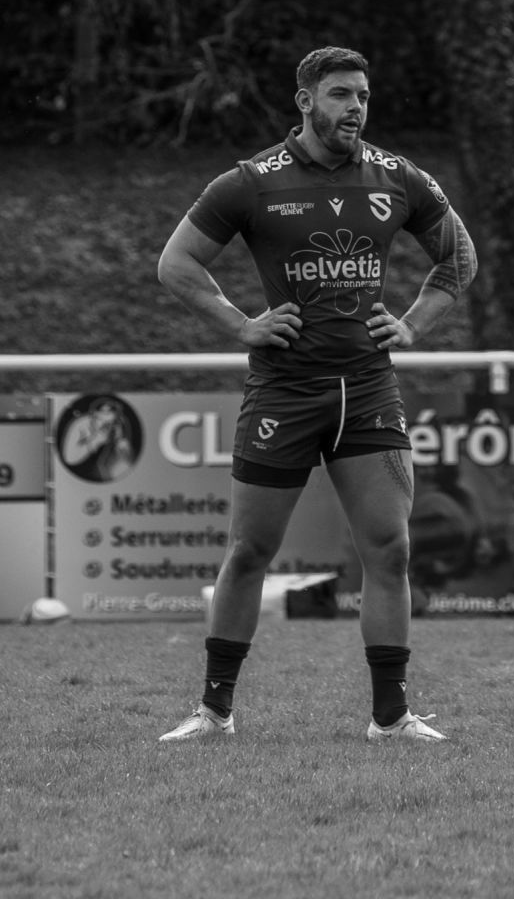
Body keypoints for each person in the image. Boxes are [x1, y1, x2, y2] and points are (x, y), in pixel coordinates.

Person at [157, 46, 477, 743]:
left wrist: (414, 324)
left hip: (368, 389)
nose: (355, 107)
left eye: (362, 94)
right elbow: (176, 263)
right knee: (250, 550)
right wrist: (241, 324)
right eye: (339, 94)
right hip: (284, 391)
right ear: (305, 101)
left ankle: (390, 718)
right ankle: (214, 712)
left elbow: (458, 256)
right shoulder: (250, 182)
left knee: (389, 549)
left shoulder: (397, 176)